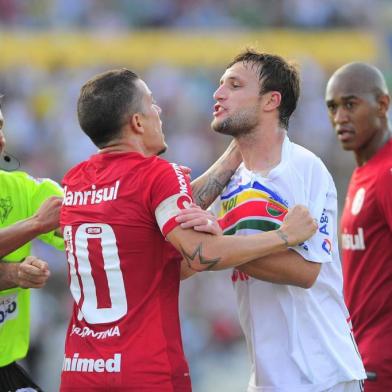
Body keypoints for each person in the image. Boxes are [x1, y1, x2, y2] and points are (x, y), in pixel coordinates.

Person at [59, 68, 317, 391]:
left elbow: (146, 230)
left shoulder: (75, 183)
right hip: (145, 371)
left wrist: (237, 150)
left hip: (80, 369)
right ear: (137, 123)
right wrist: (284, 236)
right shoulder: (155, 175)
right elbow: (201, 255)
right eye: (152, 104)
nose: (159, 111)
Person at [192, 49, 366, 392]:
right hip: (267, 380)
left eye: (234, 85)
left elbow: (305, 271)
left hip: (322, 374)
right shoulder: (233, 180)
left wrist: (220, 245)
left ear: (271, 101)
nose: (218, 93)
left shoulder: (301, 167)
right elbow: (189, 254)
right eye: (220, 84)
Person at [325, 62, 392, 392]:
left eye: (350, 104)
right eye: (332, 107)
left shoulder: (388, 173)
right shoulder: (364, 172)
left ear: (382, 105)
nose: (339, 118)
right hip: (360, 357)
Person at [0, 102, 64, 392]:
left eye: (1, 126)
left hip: (6, 368)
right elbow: (43, 220)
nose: (1, 138)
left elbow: (93, 220)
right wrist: (35, 224)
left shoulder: (23, 190)